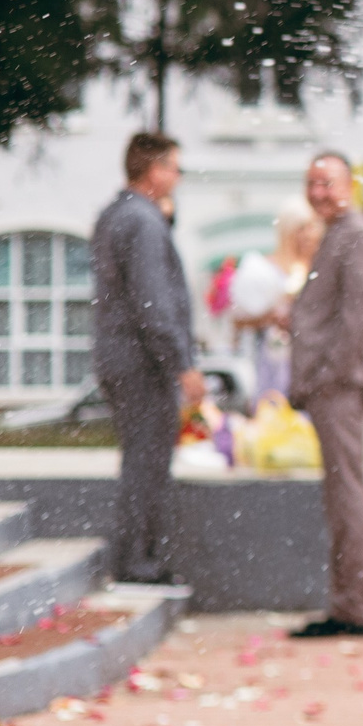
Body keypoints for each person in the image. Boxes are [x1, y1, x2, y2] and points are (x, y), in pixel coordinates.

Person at [88, 131, 204, 584]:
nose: (177, 178)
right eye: (174, 169)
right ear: (155, 171)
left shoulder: (114, 216)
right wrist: (182, 364)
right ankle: (138, 560)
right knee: (147, 459)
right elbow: (153, 302)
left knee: (140, 455)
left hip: (118, 354)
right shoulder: (143, 222)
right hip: (142, 362)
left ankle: (138, 556)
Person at [287, 152, 363, 639]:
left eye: (326, 183)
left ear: (348, 185)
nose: (317, 192)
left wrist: (328, 375)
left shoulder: (358, 235)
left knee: (347, 493)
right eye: (311, 183)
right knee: (344, 491)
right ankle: (356, 598)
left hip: (341, 388)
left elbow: (358, 318)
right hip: (334, 385)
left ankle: (354, 606)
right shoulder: (340, 234)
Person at [230, 198, 321, 403]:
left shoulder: (321, 269)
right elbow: (238, 321)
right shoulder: (261, 269)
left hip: (312, 363)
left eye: (311, 227)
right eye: (301, 228)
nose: (308, 235)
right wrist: (271, 316)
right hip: (273, 362)